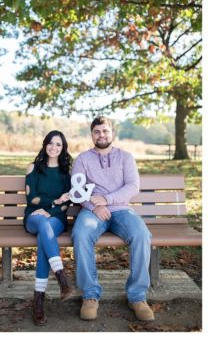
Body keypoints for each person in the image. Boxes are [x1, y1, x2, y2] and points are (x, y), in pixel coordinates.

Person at [71, 116, 154, 322]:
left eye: (105, 131)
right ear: (91, 134)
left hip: (121, 209)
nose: (101, 135)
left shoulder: (126, 157)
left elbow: (132, 186)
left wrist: (106, 199)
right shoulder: (82, 159)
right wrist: (94, 206)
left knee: (141, 234)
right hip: (93, 212)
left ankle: (137, 297)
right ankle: (90, 295)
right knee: (80, 234)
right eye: (97, 131)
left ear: (112, 133)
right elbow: (77, 191)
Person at [24, 130, 76, 326]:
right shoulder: (33, 168)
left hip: (56, 219)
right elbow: (32, 198)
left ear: (63, 149)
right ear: (45, 144)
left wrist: (51, 210)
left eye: (59, 145)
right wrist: (52, 203)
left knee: (43, 238)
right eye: (51, 143)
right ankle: (61, 278)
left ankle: (38, 301)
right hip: (34, 217)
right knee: (42, 225)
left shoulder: (66, 174)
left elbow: (66, 204)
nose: (54, 147)